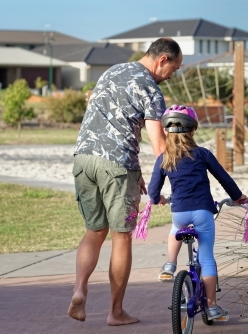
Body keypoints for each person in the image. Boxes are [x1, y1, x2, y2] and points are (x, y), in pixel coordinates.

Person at [68, 38, 183, 326]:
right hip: (116, 167)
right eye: (174, 68)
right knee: (121, 237)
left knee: (94, 230)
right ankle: (115, 312)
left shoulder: (112, 71)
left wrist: (137, 172)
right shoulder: (151, 91)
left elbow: (112, 123)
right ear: (163, 60)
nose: (173, 75)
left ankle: (80, 288)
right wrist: (178, 179)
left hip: (83, 160)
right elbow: (159, 147)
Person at [148, 104, 248, 320]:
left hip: (180, 213)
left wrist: (159, 199)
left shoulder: (163, 158)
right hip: (203, 212)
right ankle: (212, 308)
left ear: (166, 131)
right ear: (192, 131)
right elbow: (224, 178)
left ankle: (170, 264)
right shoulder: (202, 154)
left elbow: (153, 191)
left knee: (176, 228)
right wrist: (238, 196)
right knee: (207, 258)